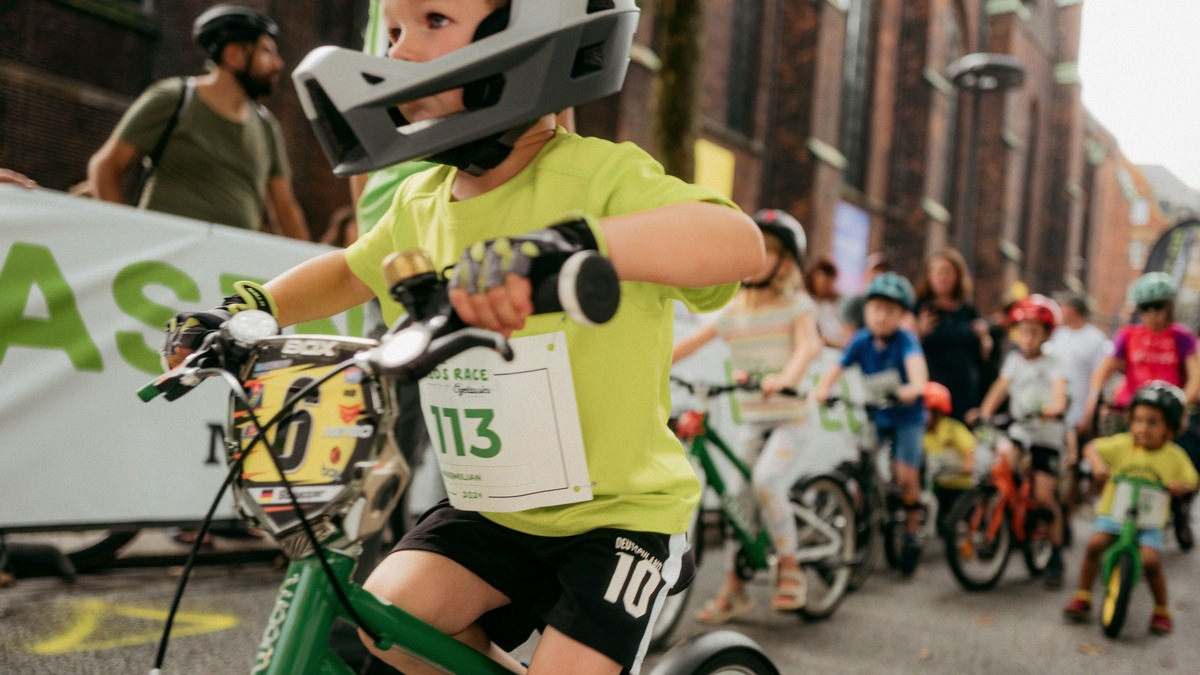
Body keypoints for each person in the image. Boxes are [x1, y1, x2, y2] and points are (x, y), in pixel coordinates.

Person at [163, 1, 763, 672]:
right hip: (493, 509)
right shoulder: (421, 199)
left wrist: (575, 244)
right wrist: (255, 305)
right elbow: (350, 270)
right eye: (392, 31)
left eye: (434, 21)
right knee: (381, 619)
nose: (397, 52)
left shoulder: (600, 176)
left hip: (619, 518)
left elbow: (738, 243)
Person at [671, 208, 822, 623]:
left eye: (768, 252)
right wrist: (653, 364)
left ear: (786, 262)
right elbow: (694, 341)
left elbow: (808, 347)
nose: (757, 259)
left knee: (767, 482)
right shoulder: (735, 308)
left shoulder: (797, 305)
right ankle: (735, 591)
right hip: (756, 421)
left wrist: (785, 377)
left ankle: (790, 568)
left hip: (793, 418)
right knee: (738, 499)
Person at [87, 4, 308, 240]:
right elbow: (105, 167)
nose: (278, 64)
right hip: (162, 259)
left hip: (230, 265)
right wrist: (125, 237)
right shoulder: (174, 98)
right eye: (266, 52)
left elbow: (286, 211)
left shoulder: (267, 126)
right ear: (233, 55)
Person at [812, 272, 929, 574]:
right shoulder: (861, 340)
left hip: (907, 416)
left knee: (906, 478)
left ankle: (912, 533)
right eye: (876, 308)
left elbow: (918, 375)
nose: (881, 316)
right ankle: (862, 520)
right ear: (866, 311)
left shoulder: (906, 341)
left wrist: (911, 389)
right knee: (862, 464)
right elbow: (837, 367)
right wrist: (823, 390)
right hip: (876, 413)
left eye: (890, 311)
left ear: (902, 316)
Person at [1062, 382, 1199, 635]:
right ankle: (1082, 595)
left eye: (1152, 422)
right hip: (1115, 513)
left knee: (1151, 560)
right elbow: (1092, 447)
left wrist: (1180, 486)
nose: (1142, 428)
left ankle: (1161, 609)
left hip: (1149, 521)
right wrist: (1098, 465)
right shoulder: (1122, 444)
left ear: (1169, 427)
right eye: (1137, 420)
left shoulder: (1174, 455)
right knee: (1095, 544)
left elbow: (1191, 479)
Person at [1083, 272, 1200, 549]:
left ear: (1169, 306)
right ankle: (1111, 515)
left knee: (1178, 464)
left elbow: (1195, 374)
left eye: (1158, 306)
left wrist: (1184, 402)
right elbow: (1107, 366)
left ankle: (1178, 511)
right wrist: (1094, 394)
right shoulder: (1129, 335)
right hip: (1131, 410)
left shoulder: (1181, 337)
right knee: (1119, 459)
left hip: (1168, 413)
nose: (1152, 314)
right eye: (1145, 308)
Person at [976, 295, 1070, 587]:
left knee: (1043, 496)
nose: (1027, 338)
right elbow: (1000, 388)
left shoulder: (1055, 362)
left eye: (1034, 332)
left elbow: (1059, 391)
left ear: (1046, 334)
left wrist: (1055, 407)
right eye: (1023, 331)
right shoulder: (1013, 360)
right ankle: (1005, 520)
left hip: (1046, 434)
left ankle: (1055, 555)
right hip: (1020, 429)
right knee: (1002, 468)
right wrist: (984, 412)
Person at [914, 248, 992, 422]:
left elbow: (984, 353)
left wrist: (985, 338)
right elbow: (908, 349)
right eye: (937, 272)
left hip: (965, 391)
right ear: (928, 276)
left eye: (947, 272)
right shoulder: (921, 309)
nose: (942, 277)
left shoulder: (968, 311)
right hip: (933, 390)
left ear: (958, 276)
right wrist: (919, 331)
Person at [922, 381, 975, 525]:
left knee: (961, 522)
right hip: (940, 485)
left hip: (961, 487)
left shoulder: (952, 428)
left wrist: (968, 464)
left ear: (936, 411)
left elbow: (968, 446)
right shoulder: (924, 434)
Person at [838, 251, 889, 339]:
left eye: (882, 272)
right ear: (866, 273)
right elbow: (849, 340)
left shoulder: (889, 305)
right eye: (875, 271)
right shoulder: (854, 302)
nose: (879, 275)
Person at [805, 255, 846, 348]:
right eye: (823, 281)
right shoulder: (806, 302)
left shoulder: (834, 303)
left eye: (830, 282)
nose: (827, 286)